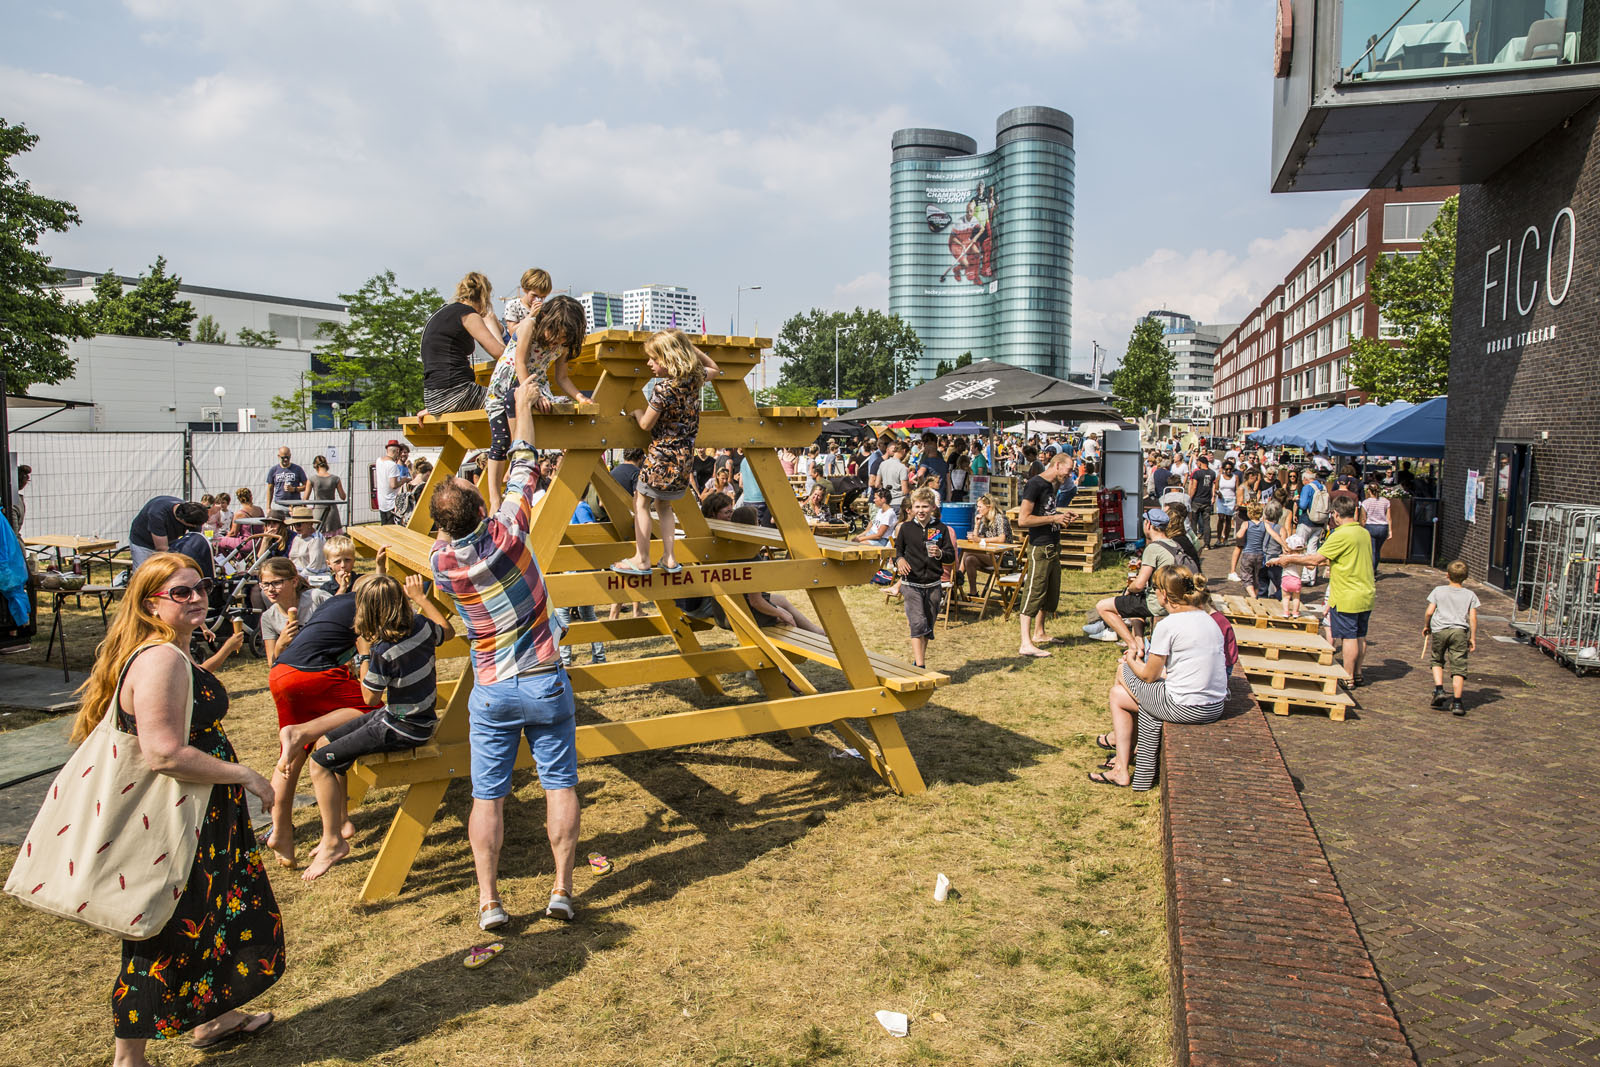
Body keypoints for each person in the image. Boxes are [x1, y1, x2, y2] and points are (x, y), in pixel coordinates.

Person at [71, 554, 282, 1061]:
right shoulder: (160, 658)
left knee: (210, 918)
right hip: (177, 821)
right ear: (150, 605)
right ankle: (130, 1058)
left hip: (201, 815)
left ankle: (217, 1018)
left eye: (200, 587)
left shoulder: (173, 651)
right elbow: (163, 752)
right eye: (180, 593)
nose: (196, 598)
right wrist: (247, 776)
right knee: (162, 930)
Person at [430, 379, 581, 930]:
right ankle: (561, 889)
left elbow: (448, 533)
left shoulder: (441, 565)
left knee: (487, 796)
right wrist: (522, 407)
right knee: (559, 784)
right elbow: (524, 463)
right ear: (483, 509)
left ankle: (489, 900)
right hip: (543, 675)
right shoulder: (511, 530)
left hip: (491, 686)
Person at [301, 571, 454, 880]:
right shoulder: (422, 626)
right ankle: (340, 823)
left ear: (368, 612)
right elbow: (447, 632)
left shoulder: (382, 651)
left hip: (400, 727)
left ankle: (332, 842)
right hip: (415, 719)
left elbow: (369, 697)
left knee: (319, 763)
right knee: (323, 743)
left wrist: (363, 656)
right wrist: (423, 599)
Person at [1089, 565, 1227, 790]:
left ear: (1163, 594)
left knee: (1123, 671)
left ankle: (1122, 764)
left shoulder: (1169, 625)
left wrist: (1132, 657)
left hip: (1185, 707)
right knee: (1118, 696)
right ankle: (1123, 764)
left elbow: (1148, 676)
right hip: (1214, 706)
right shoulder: (1208, 619)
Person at [263, 583, 371, 868]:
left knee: (292, 759)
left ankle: (281, 833)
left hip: (281, 672)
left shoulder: (334, 603)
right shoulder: (369, 607)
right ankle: (302, 732)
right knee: (373, 710)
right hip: (313, 675)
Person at [613, 331, 721, 576]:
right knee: (664, 505)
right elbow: (714, 367)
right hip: (684, 459)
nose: (649, 364)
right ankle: (670, 557)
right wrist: (688, 348)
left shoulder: (663, 389)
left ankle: (642, 558)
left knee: (641, 502)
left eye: (653, 358)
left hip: (661, 458)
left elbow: (646, 425)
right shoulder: (695, 381)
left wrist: (636, 413)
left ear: (668, 358)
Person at [485, 293, 587, 511]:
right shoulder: (530, 326)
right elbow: (520, 362)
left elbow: (562, 378)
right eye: (555, 335)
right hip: (509, 382)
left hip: (537, 386)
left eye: (562, 339)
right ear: (547, 321)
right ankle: (496, 495)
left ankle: (526, 458)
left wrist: (579, 397)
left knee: (559, 409)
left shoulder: (563, 345)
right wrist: (533, 394)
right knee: (500, 441)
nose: (556, 342)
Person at [1272, 496, 1374, 685]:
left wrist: (1290, 560)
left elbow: (1315, 560)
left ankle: (1348, 676)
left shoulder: (1340, 535)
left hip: (1347, 593)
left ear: (1335, 514)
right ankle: (1358, 673)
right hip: (1366, 591)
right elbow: (1339, 558)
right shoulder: (1363, 533)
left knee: (1348, 637)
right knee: (1360, 635)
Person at [1087, 509, 1187, 652]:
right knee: (1133, 605)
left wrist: (1129, 589)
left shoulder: (1153, 548)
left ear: (1148, 525)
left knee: (1102, 606)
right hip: (1171, 598)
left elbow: (1139, 584)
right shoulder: (1174, 544)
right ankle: (1139, 643)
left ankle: (1131, 644)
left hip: (1157, 603)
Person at [1015, 452, 1078, 658]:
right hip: (1040, 547)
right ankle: (1025, 642)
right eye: (1068, 471)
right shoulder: (1035, 484)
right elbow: (1023, 520)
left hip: (1053, 545)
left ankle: (1039, 632)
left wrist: (1062, 516)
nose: (1069, 476)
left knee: (1049, 594)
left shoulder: (1052, 486)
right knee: (1034, 592)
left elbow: (1046, 512)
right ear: (1057, 465)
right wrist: (1054, 518)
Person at [418, 271, 506, 417]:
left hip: (433, 398)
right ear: (484, 296)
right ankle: (507, 440)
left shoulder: (442, 312)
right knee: (516, 400)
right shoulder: (468, 315)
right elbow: (500, 354)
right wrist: (491, 322)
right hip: (457, 393)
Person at [893, 488, 954, 670]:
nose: (921, 510)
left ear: (933, 508)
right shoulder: (906, 528)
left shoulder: (940, 529)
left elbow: (951, 556)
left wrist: (941, 553)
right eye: (917, 506)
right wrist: (900, 560)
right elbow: (898, 551)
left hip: (934, 584)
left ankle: (919, 660)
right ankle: (920, 667)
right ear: (911, 508)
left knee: (927, 625)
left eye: (925, 507)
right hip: (911, 583)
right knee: (917, 623)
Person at [1423, 560, 1478, 717]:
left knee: (1437, 660)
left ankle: (1439, 689)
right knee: (1459, 667)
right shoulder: (1470, 595)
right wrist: (1472, 637)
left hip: (1440, 630)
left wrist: (1427, 626)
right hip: (1459, 632)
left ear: (1447, 575)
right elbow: (1473, 618)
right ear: (1465, 577)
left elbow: (1429, 611)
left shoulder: (1438, 591)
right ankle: (1458, 702)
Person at [556, 498, 606, 668]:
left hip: (578, 569)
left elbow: (590, 530)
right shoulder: (575, 507)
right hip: (577, 568)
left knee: (562, 612)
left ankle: (565, 661)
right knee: (586, 613)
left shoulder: (580, 507)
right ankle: (599, 657)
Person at [258, 556, 331, 666]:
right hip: (297, 668)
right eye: (265, 584)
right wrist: (280, 644)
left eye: (277, 583)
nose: (270, 589)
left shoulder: (316, 599)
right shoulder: (268, 617)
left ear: (294, 582)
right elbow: (272, 664)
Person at [129, 496, 210, 569]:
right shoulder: (157, 514)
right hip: (143, 542)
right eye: (194, 525)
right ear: (183, 520)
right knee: (143, 574)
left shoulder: (194, 513)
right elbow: (162, 548)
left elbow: (195, 540)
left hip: (169, 540)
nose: (196, 527)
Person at [959, 494, 1011, 599]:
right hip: (990, 555)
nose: (978, 509)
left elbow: (1002, 539)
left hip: (1003, 558)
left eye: (980, 507)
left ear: (989, 507)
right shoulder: (985, 520)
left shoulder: (1000, 518)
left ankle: (957, 578)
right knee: (969, 559)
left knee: (967, 552)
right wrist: (977, 525)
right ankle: (973, 592)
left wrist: (980, 540)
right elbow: (976, 538)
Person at [1295, 468, 1329, 585]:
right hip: (1320, 522)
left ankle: (1302, 576)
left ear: (1305, 479)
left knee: (1299, 547)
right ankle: (1311, 578)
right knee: (1313, 549)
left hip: (1306, 520)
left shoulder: (1307, 487)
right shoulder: (1323, 487)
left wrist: (1297, 501)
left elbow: (1303, 505)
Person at [285, 505, 331, 587]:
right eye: (294, 524)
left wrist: (296, 578)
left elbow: (314, 567)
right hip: (298, 577)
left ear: (310, 523)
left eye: (299, 524)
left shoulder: (316, 540)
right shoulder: (297, 537)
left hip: (315, 579)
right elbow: (292, 559)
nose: (296, 527)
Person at [306, 455, 346, 535]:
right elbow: (343, 496)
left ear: (315, 466)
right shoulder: (335, 479)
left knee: (318, 538)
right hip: (332, 512)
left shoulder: (312, 479)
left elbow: (305, 499)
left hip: (318, 512)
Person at [1186, 454, 1217, 550]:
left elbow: (1194, 487)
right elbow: (1213, 486)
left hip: (1197, 500)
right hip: (1207, 500)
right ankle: (1207, 544)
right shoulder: (1212, 473)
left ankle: (1194, 543)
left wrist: (1189, 498)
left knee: (1193, 522)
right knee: (1207, 523)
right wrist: (1213, 497)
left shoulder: (1197, 473)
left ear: (1200, 463)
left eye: (1197, 462)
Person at [1361, 484, 1391, 576]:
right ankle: (1374, 569)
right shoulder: (1386, 501)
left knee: (1372, 551)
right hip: (1383, 527)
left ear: (1369, 491)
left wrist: (1362, 529)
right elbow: (1388, 517)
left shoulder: (1365, 503)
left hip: (1371, 526)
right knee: (1377, 550)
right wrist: (1390, 531)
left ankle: (1371, 572)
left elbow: (1363, 518)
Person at [375, 440, 408, 526]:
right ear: (397, 451)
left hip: (382, 502)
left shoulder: (378, 460)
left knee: (384, 526)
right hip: (391, 503)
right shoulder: (392, 465)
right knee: (392, 529)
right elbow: (393, 485)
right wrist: (404, 480)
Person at [876, 440, 909, 512]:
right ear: (904, 451)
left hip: (886, 501)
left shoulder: (883, 464)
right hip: (898, 502)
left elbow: (877, 484)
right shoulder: (902, 467)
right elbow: (905, 490)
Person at [1279, 533, 1306, 617]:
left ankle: (1286, 612)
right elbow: (1310, 566)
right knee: (1296, 598)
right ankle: (1295, 613)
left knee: (1286, 597)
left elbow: (1282, 564)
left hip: (1286, 579)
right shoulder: (1302, 557)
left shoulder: (1287, 557)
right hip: (1296, 580)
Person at [1215, 459, 1239, 544]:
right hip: (1222, 499)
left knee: (1228, 519)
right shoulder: (1219, 477)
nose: (1228, 471)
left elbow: (1237, 490)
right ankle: (1218, 538)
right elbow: (1216, 489)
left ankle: (1226, 539)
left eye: (1230, 469)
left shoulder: (1235, 477)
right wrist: (1218, 494)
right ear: (1223, 469)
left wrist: (1237, 502)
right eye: (1226, 469)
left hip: (1231, 499)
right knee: (1221, 518)